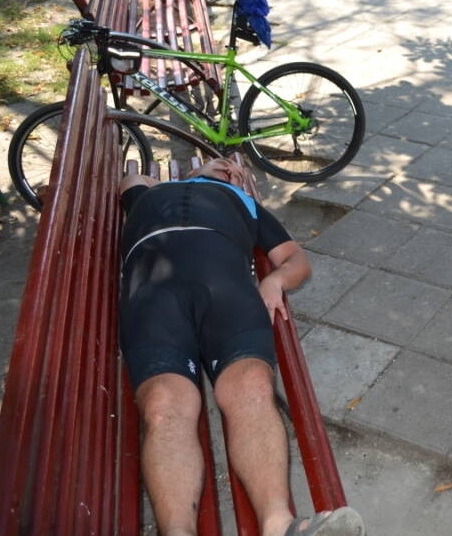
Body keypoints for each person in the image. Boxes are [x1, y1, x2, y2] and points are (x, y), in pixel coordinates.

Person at [118, 158, 364, 536]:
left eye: (230, 167)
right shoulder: (148, 194)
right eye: (216, 163)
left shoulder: (242, 201)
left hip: (225, 290)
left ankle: (279, 526)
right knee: (165, 404)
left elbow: (296, 259)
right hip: (154, 295)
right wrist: (197, 173)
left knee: (251, 386)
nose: (223, 168)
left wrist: (275, 281)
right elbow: (130, 179)